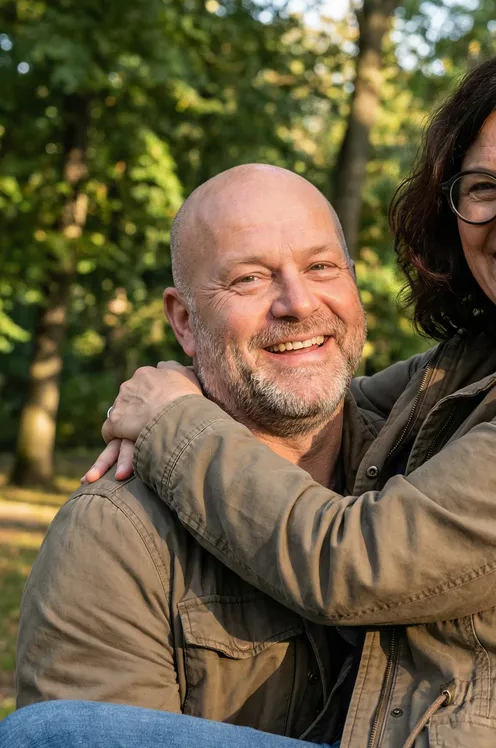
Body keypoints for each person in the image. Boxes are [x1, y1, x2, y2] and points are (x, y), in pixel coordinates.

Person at [2, 46, 496, 747]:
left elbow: (363, 565)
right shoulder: (467, 375)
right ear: (183, 319)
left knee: (53, 736)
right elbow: (320, 391)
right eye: (483, 189)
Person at [13, 166, 372, 740]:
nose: (299, 304)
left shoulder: (431, 463)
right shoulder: (116, 535)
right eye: (250, 279)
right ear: (185, 321)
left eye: (322, 267)